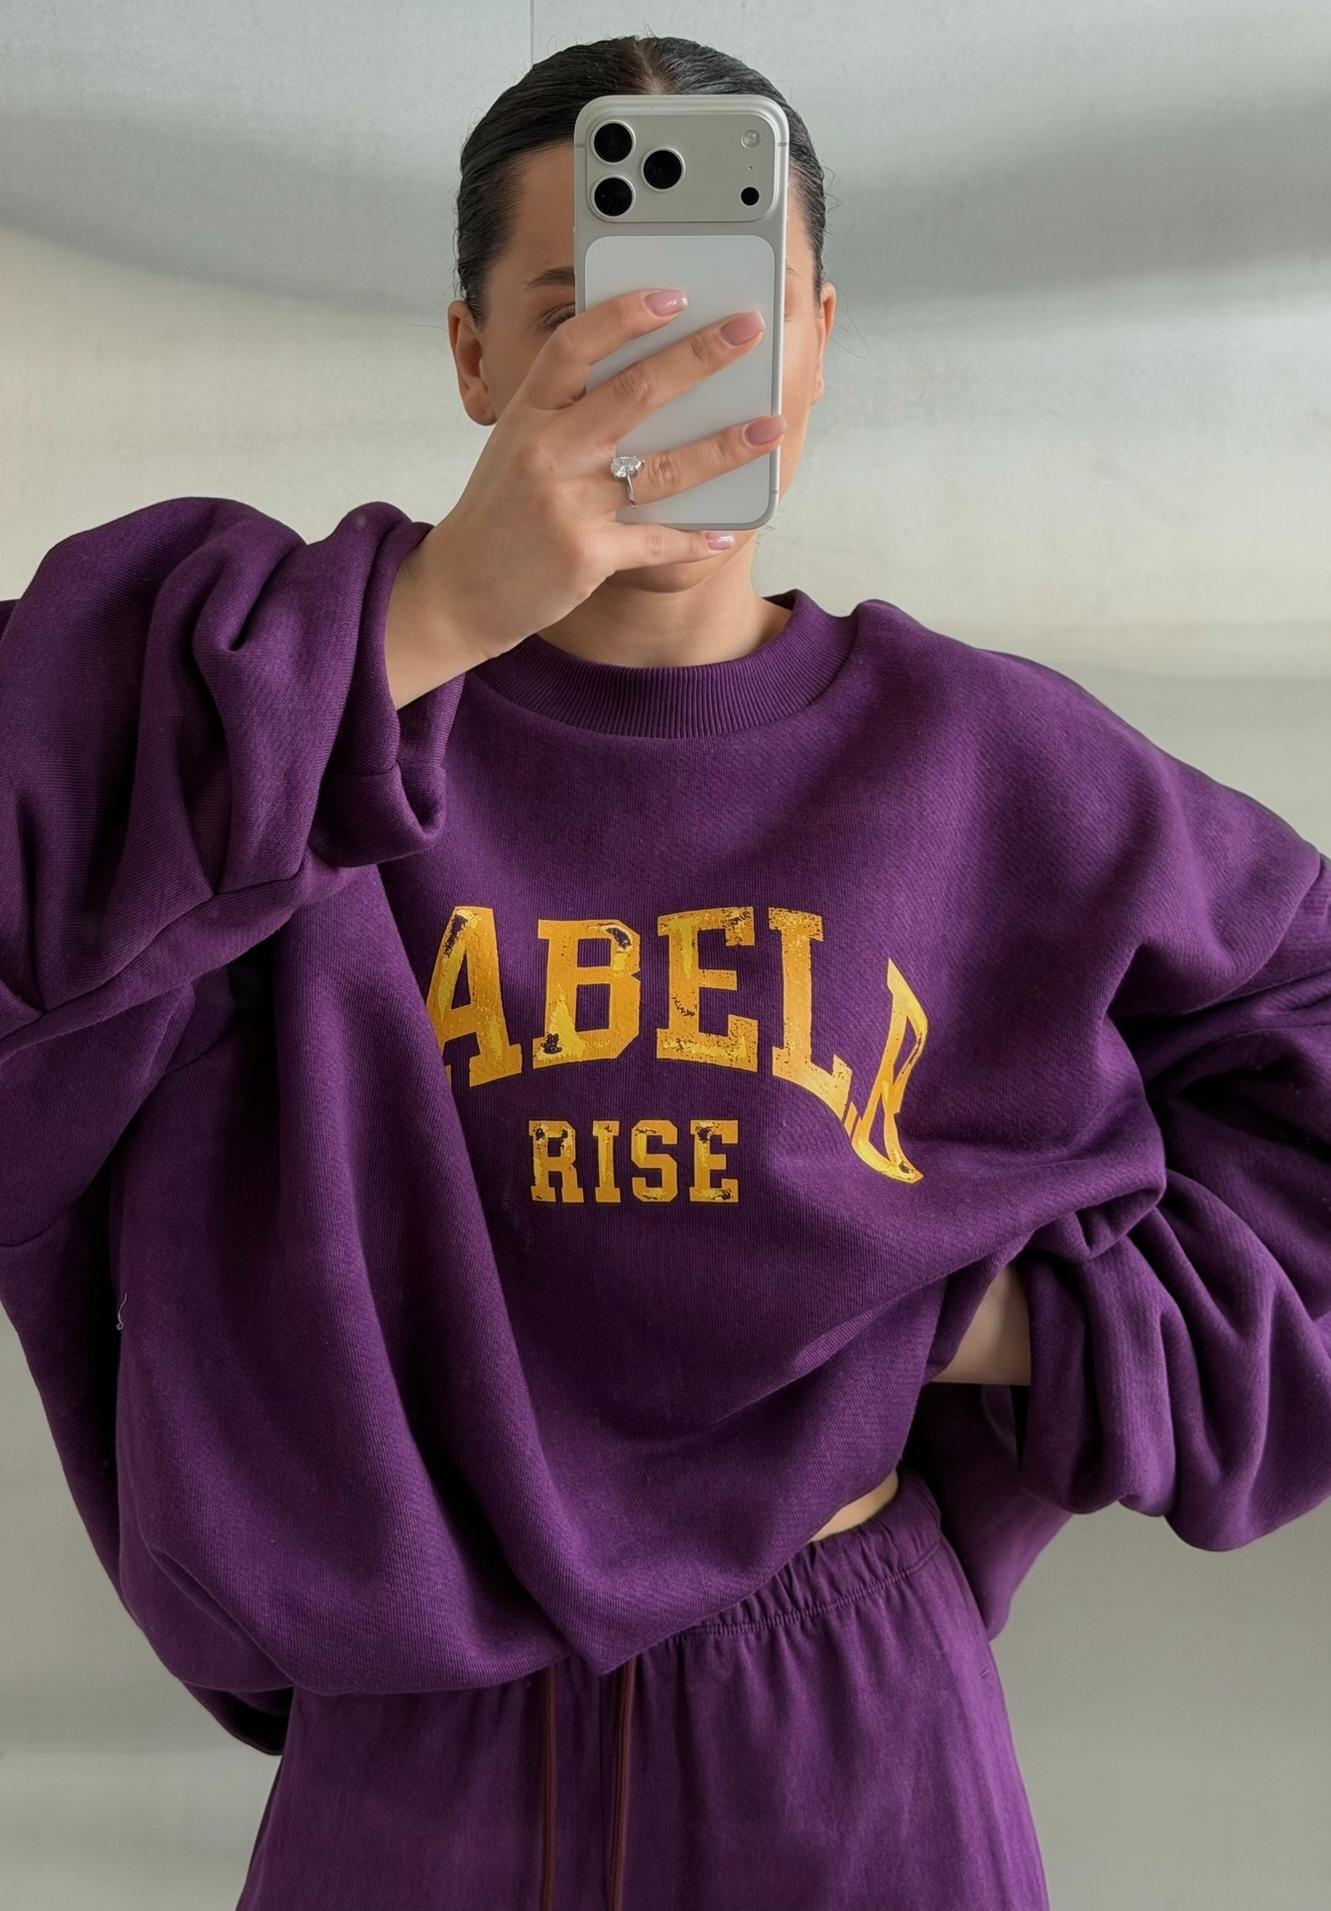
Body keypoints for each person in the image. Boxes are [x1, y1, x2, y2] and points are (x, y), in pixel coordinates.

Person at [2, 33, 1329, 1911]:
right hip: (414, 1748)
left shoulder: (990, 763)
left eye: (725, 315)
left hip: (849, 1715)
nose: (660, 373)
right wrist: (421, 624)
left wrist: (990, 1320)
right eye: (578, 318)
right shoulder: (245, 702)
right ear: (473, 357)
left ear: (817, 342)